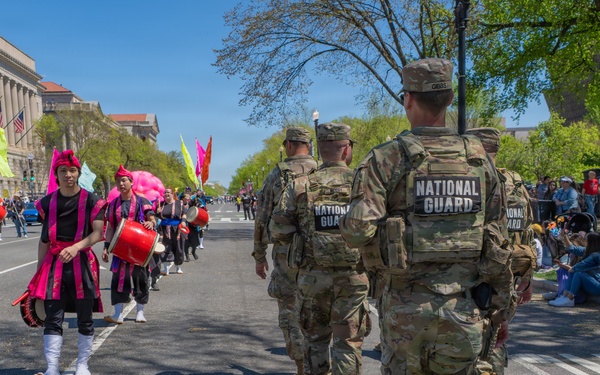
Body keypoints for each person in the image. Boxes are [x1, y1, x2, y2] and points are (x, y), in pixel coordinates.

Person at [339, 58, 513, 375]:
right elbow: (499, 242)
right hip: (465, 310)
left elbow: (357, 232)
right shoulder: (478, 158)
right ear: (448, 99)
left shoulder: (386, 157)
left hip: (404, 311)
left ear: (407, 98)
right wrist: (500, 312)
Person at [270, 123, 369, 375]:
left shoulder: (300, 185)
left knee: (315, 342)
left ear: (319, 150)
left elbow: (278, 229)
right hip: (353, 277)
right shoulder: (364, 184)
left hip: (313, 277)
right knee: (348, 343)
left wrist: (305, 238)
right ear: (346, 149)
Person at [28, 150, 106, 375]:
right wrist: (38, 274)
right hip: (54, 266)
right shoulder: (46, 202)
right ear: (56, 175)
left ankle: (83, 365)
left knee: (85, 317)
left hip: (82, 263)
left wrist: (75, 247)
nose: (68, 174)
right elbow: (44, 240)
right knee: (53, 318)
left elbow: (98, 233)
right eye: (63, 171)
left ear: (78, 173)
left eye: (72, 170)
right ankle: (52, 367)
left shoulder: (93, 201)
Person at [467, 127, 537, 374]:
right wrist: (527, 279)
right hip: (512, 278)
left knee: (473, 345)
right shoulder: (515, 182)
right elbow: (527, 232)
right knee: (496, 338)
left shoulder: (477, 180)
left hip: (480, 277)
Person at [252, 127, 317, 374]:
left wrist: (259, 256)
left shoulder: (276, 175)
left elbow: (262, 218)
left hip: (287, 256)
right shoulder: (322, 171)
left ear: (288, 145)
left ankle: (301, 365)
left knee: (291, 312)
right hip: (319, 254)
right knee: (319, 308)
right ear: (309, 145)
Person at [102, 165, 157, 324]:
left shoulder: (141, 201)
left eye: (124, 180)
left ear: (131, 182)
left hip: (139, 247)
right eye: (118, 181)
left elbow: (151, 217)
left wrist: (151, 223)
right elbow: (111, 227)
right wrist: (107, 247)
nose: (121, 183)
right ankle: (118, 314)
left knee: (141, 279)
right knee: (118, 280)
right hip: (120, 249)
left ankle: (140, 312)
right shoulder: (113, 205)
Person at [550, 232, 600, 307]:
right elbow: (572, 248)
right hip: (591, 283)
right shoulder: (588, 251)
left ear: (592, 243)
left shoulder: (596, 255)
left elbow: (582, 264)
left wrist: (571, 268)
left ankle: (569, 299)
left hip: (597, 286)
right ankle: (564, 296)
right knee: (575, 271)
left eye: (586, 240)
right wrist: (565, 236)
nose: (585, 241)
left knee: (578, 273)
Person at [156, 187, 187, 275]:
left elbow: (184, 214)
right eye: (165, 193)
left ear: (173, 194)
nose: (166, 194)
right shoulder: (161, 205)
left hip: (177, 229)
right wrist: (157, 212)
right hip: (165, 229)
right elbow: (157, 218)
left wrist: (184, 222)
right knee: (166, 247)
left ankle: (178, 267)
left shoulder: (179, 203)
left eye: (168, 192)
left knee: (178, 247)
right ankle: (166, 268)